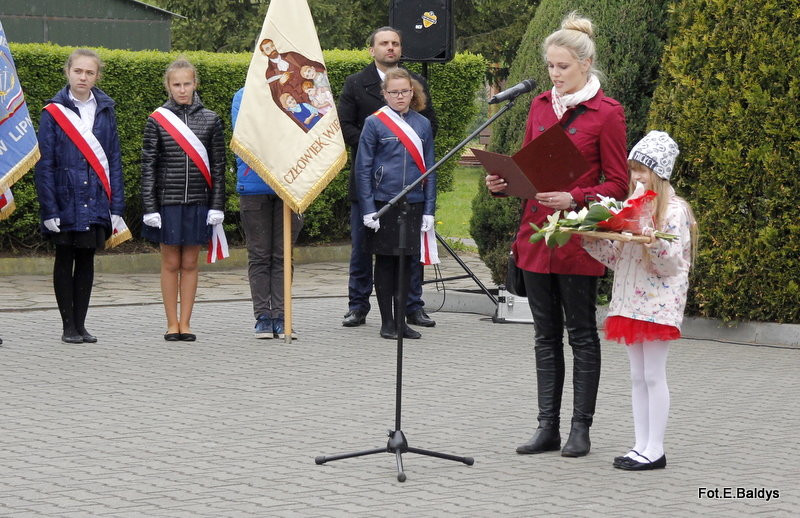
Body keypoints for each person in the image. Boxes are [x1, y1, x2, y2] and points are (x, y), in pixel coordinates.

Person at [486, 12, 629, 457]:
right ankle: (546, 426)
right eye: (550, 65)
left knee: (581, 334)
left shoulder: (607, 113)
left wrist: (576, 196)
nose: (554, 74)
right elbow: (529, 166)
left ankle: (580, 428)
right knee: (544, 336)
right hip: (536, 236)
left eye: (562, 66)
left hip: (577, 240)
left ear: (585, 64)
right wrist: (503, 182)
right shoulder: (539, 105)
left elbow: (618, 183)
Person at [583, 131, 697, 470]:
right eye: (633, 170)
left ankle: (655, 448)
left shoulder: (674, 211)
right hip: (630, 301)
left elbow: (669, 264)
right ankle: (640, 444)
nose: (636, 177)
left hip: (658, 302)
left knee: (653, 375)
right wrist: (590, 237)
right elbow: (618, 257)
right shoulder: (634, 207)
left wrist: (652, 241)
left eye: (643, 170)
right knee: (637, 376)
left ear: (659, 173)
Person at [338, 26, 438, 329]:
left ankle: (412, 306)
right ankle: (358, 305)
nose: (390, 47)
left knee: (410, 251)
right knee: (363, 250)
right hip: (371, 184)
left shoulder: (415, 82)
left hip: (410, 184)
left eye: (395, 43)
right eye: (384, 43)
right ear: (372, 50)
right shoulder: (356, 83)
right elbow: (344, 125)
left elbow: (430, 124)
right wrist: (378, 146)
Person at [34, 48, 125, 344]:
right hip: (64, 198)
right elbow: (45, 164)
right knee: (65, 258)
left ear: (97, 76)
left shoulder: (106, 110)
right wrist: (49, 209)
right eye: (78, 71)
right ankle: (68, 327)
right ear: (68, 72)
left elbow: (113, 159)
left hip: (96, 198)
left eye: (89, 72)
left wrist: (116, 206)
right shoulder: (52, 113)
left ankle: (82, 325)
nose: (83, 77)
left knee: (86, 259)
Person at [140, 59, 226, 342]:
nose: (182, 89)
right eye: (176, 84)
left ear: (195, 83)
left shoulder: (211, 119)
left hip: (199, 202)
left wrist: (217, 205)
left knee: (189, 263)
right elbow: (148, 166)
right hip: (168, 202)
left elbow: (218, 167)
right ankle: (171, 323)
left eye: (187, 83)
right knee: (170, 263)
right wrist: (150, 207)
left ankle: (186, 323)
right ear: (168, 85)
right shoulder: (157, 120)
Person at [355, 68, 436, 339]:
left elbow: (430, 169)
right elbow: (363, 169)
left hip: (413, 203)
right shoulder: (374, 123)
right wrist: (368, 209)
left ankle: (402, 322)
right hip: (384, 203)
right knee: (386, 264)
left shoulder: (422, 124)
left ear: (412, 92)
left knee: (407, 265)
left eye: (404, 91)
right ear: (385, 94)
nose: (400, 96)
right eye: (394, 92)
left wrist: (429, 209)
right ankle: (387, 323)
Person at [231, 87, 304, 339]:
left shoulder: (295, 91)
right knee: (260, 254)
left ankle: (282, 316)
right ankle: (263, 317)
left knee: (283, 255)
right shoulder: (243, 96)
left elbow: (305, 132)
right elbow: (246, 137)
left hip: (289, 184)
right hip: (254, 185)